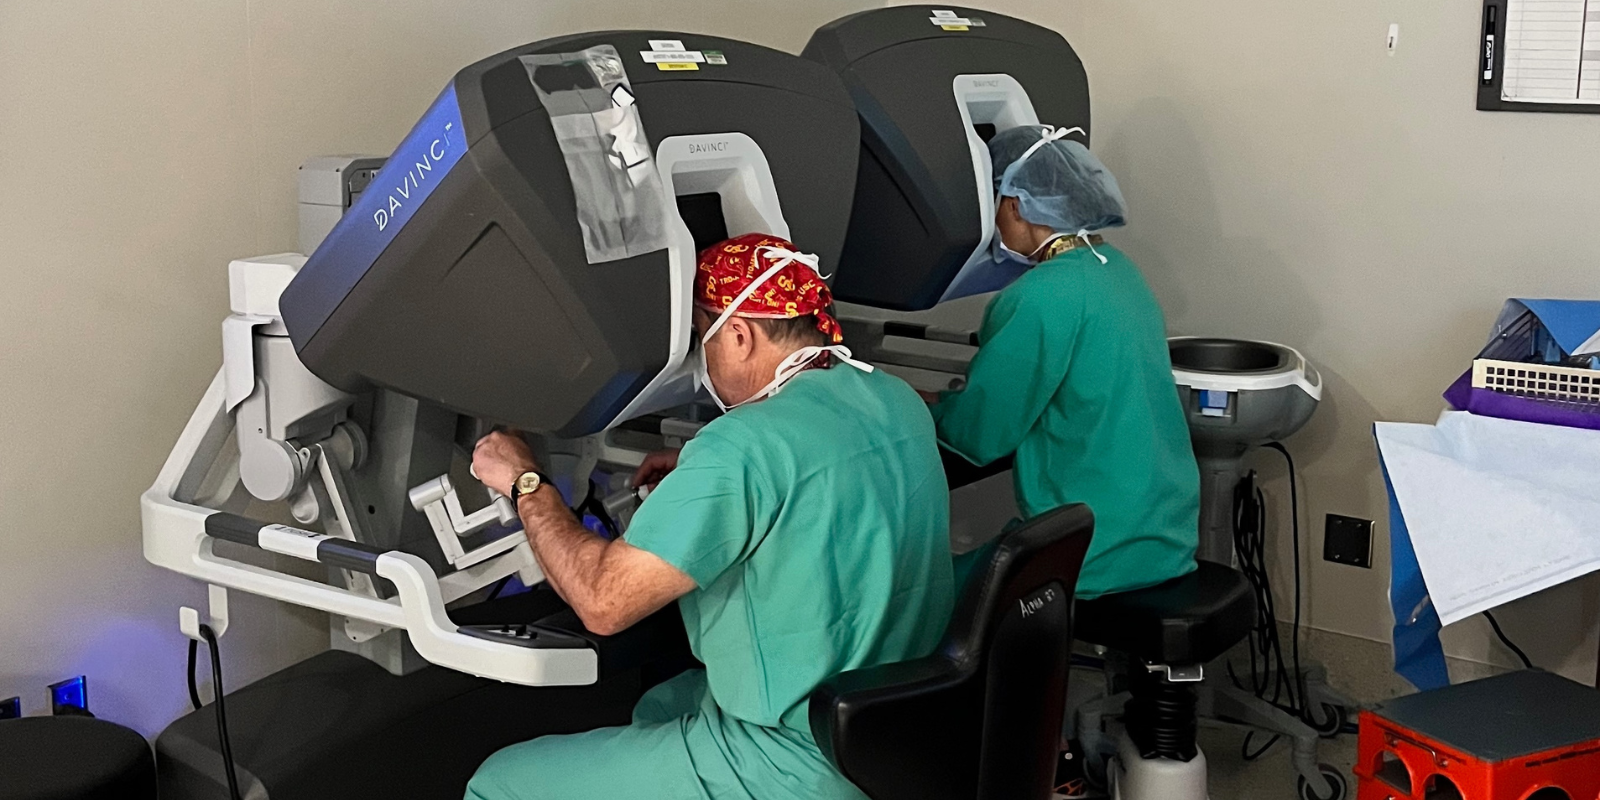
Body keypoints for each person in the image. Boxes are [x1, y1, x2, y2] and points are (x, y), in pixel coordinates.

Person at [465, 232, 956, 800]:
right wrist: (704, 474)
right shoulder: (894, 398)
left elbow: (602, 601)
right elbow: (822, 473)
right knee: (659, 705)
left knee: (498, 782)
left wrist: (525, 481)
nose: (701, 357)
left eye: (703, 338)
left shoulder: (741, 448)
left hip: (795, 759)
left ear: (741, 335)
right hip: (896, 727)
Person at [929, 125, 1200, 599]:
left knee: (924, 591)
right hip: (1161, 539)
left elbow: (979, 435)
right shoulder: (1119, 272)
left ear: (1013, 204)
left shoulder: (1040, 296)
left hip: (1090, 552)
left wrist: (914, 405)